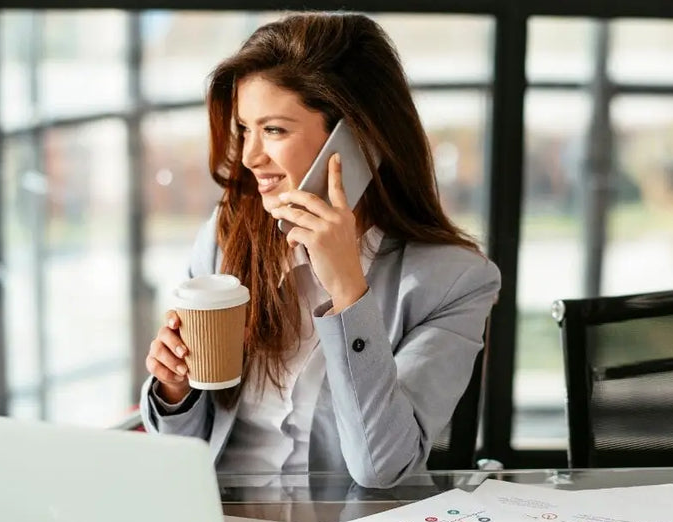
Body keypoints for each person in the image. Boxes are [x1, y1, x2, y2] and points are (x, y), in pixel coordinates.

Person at [139, 13, 500, 489]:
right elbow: (183, 451)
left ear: (356, 140)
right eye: (245, 128)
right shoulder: (226, 238)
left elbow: (381, 467)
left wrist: (349, 292)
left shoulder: (454, 282)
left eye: (274, 130)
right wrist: (175, 389)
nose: (249, 156)